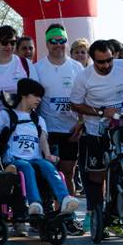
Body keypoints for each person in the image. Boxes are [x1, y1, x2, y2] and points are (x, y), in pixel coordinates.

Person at [70, 40, 123, 238]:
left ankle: (114, 219)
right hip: (95, 130)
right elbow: (75, 104)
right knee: (97, 176)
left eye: (109, 60)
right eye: (101, 62)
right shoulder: (84, 77)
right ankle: (95, 215)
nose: (107, 65)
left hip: (121, 129)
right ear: (93, 60)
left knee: (120, 173)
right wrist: (101, 111)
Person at [0, 78, 78, 219]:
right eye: (36, 96)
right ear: (24, 95)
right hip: (14, 159)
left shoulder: (38, 119)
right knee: (26, 167)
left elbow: (43, 139)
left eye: (40, 96)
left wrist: (48, 155)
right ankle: (35, 203)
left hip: (35, 158)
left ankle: (65, 199)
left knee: (47, 165)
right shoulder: (6, 115)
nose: (39, 99)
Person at [34, 23, 84, 197]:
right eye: (53, 41)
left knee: (68, 173)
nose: (58, 45)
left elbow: (84, 98)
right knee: (49, 173)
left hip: (71, 129)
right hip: (48, 129)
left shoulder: (77, 67)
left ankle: (69, 209)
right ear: (47, 43)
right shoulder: (38, 68)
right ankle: (51, 209)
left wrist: (81, 123)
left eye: (62, 40)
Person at [0, 25, 32, 116]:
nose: (9, 46)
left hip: (21, 118)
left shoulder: (26, 64)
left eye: (12, 43)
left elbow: (35, 94)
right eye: (4, 42)